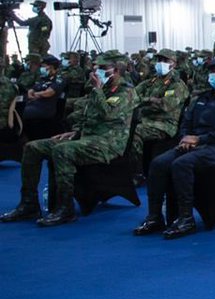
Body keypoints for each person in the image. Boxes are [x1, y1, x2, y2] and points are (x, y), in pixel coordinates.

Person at [1, 50, 135, 226]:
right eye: (96, 67)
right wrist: (75, 132)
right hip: (87, 138)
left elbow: (108, 115)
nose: (96, 72)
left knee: (62, 150)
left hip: (108, 143)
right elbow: (89, 116)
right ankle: (29, 204)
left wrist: (97, 90)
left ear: (117, 70)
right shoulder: (104, 90)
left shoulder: (126, 92)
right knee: (32, 147)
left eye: (102, 68)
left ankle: (65, 208)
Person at [135, 58, 215, 238]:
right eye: (212, 71)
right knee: (158, 163)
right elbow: (186, 123)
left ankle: (186, 218)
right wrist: (185, 138)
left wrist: (199, 139)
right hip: (194, 145)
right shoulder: (201, 98)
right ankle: (155, 216)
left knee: (181, 164)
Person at [129, 49, 190, 170]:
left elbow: (165, 106)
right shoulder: (152, 81)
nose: (161, 63)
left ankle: (137, 171)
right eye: (159, 60)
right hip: (146, 119)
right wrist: (150, 100)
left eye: (165, 60)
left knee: (136, 132)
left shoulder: (177, 84)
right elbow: (131, 96)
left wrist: (144, 101)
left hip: (164, 124)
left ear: (174, 64)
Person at [21, 53, 65, 139]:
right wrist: (32, 93)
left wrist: (36, 94)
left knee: (21, 112)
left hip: (45, 108)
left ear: (51, 67)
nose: (42, 69)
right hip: (33, 104)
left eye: (44, 66)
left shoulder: (59, 79)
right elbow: (32, 89)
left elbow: (49, 93)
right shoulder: (43, 78)